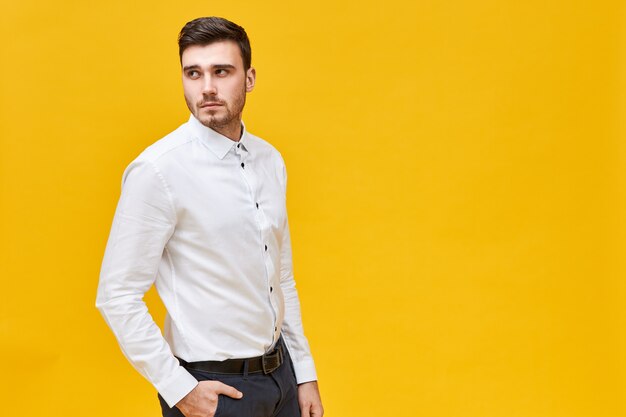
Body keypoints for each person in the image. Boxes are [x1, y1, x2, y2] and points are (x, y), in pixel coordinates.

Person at [96, 16, 324, 417]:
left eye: (222, 71)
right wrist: (179, 389)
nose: (207, 88)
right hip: (214, 390)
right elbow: (117, 296)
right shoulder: (158, 171)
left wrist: (304, 373)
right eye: (193, 73)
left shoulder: (270, 160)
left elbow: (280, 275)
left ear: (249, 78)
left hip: (282, 377)